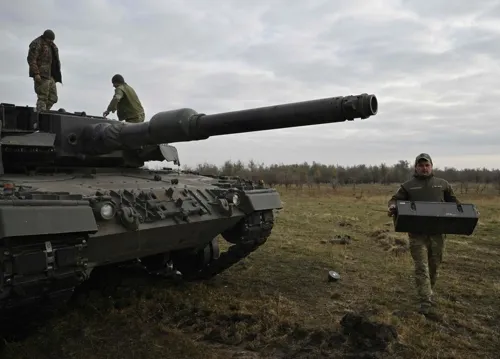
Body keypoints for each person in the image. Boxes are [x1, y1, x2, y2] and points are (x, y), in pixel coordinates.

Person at [387, 153, 459, 317]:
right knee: (421, 266)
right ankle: (425, 301)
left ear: (431, 166)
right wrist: (392, 207)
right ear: (415, 167)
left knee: (434, 266)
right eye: (421, 165)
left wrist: (468, 213)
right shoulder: (408, 186)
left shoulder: (442, 184)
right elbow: (394, 200)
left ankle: (429, 291)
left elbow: (455, 204)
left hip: (437, 234)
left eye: (427, 165)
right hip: (416, 234)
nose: (424, 168)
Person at [27, 29, 62, 112]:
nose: (51, 41)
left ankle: (43, 112)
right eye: (49, 39)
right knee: (43, 97)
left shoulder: (52, 46)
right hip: (41, 74)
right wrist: (36, 74)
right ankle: (41, 115)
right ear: (45, 37)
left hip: (50, 75)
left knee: (53, 97)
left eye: (52, 40)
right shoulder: (37, 44)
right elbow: (32, 60)